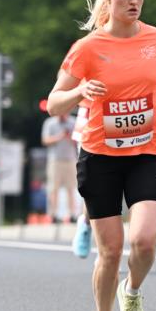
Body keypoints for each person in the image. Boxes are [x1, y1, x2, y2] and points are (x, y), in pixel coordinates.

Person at [47, 0, 156, 311]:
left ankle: (133, 291)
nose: (134, 2)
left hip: (144, 152)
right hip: (100, 157)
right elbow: (54, 102)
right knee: (110, 250)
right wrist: (79, 92)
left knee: (144, 241)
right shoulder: (88, 49)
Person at [41, 111, 78, 223]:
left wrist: (69, 137)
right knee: (53, 188)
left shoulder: (73, 122)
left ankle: (72, 214)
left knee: (71, 188)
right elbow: (45, 140)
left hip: (70, 159)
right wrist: (59, 137)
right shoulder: (50, 123)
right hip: (55, 160)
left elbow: (79, 140)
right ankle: (53, 214)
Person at [71, 105, 93, 258]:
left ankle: (109, 252)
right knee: (94, 187)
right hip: (90, 123)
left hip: (126, 121)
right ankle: (85, 223)